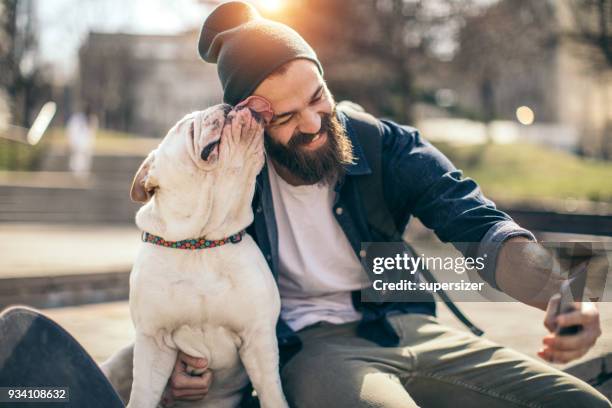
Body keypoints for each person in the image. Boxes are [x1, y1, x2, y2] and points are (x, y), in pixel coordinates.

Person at [1, 2, 607, 407]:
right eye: (285, 118)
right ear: (247, 125)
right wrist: (182, 361)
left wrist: (561, 292)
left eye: (317, 97)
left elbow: (475, 221)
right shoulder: (228, 179)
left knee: (581, 403)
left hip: (406, 322)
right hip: (311, 350)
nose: (315, 123)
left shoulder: (379, 143)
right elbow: (176, 272)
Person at [66, 104, 97, 179]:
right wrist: (72, 141)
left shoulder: (92, 119)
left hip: (87, 144)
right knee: (77, 161)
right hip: (78, 143)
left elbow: (92, 132)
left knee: (85, 162)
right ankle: (76, 176)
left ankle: (83, 176)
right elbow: (72, 130)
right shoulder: (77, 119)